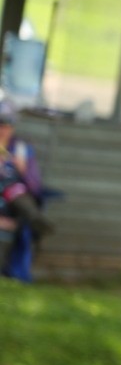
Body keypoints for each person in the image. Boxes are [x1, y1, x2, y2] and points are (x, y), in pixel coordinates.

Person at [0, 97, 54, 280]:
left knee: (19, 195)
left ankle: (35, 221)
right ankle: (34, 223)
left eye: (7, 125)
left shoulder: (21, 148)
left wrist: (23, 169)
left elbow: (35, 184)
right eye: (0, 124)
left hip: (13, 195)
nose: (3, 129)